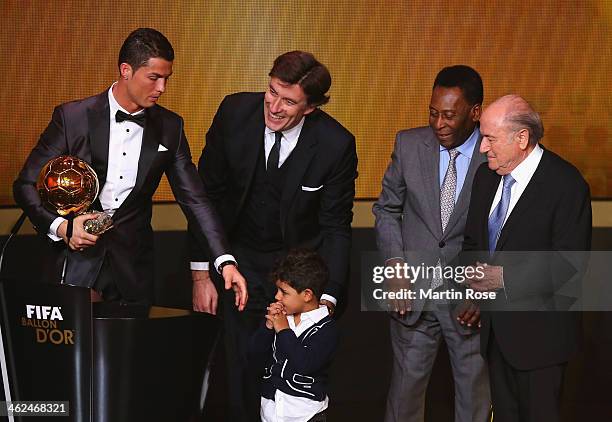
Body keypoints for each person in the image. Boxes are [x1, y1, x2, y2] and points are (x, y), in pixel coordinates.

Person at [13, 28, 247, 308]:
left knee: (134, 351)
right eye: (154, 77)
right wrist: (63, 227)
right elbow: (25, 185)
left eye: (166, 78)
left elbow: (195, 199)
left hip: (134, 272)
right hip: (75, 266)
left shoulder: (170, 127)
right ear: (126, 70)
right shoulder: (72, 118)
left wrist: (224, 261)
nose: (162, 88)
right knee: (76, 351)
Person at [190, 50, 357, 421]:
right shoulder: (234, 113)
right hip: (237, 265)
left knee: (288, 376)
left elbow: (335, 227)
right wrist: (202, 273)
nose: (275, 107)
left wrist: (326, 301)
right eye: (272, 92)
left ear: (310, 108)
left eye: (289, 101)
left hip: (297, 279)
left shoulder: (335, 144)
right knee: (240, 370)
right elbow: (206, 198)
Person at [461, 95, 591, 422]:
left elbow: (568, 267)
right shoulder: (485, 177)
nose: (481, 148)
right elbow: (473, 243)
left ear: (522, 138)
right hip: (495, 337)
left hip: (542, 343)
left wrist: (502, 279)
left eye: (489, 138)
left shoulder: (567, 184)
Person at [373, 65, 491, 421]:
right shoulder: (408, 144)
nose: (438, 123)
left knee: (473, 399)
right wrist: (394, 268)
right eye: (433, 112)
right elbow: (386, 210)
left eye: (449, 115)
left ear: (475, 113)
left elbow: (507, 228)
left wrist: (485, 289)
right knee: (404, 397)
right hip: (412, 295)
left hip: (468, 301)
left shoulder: (496, 152)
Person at [250, 249, 337, 422]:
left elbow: (305, 364)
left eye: (284, 292)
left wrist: (283, 330)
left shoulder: (327, 329)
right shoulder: (280, 318)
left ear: (307, 295)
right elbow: (253, 359)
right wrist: (267, 328)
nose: (277, 296)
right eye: (277, 290)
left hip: (306, 415)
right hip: (270, 412)